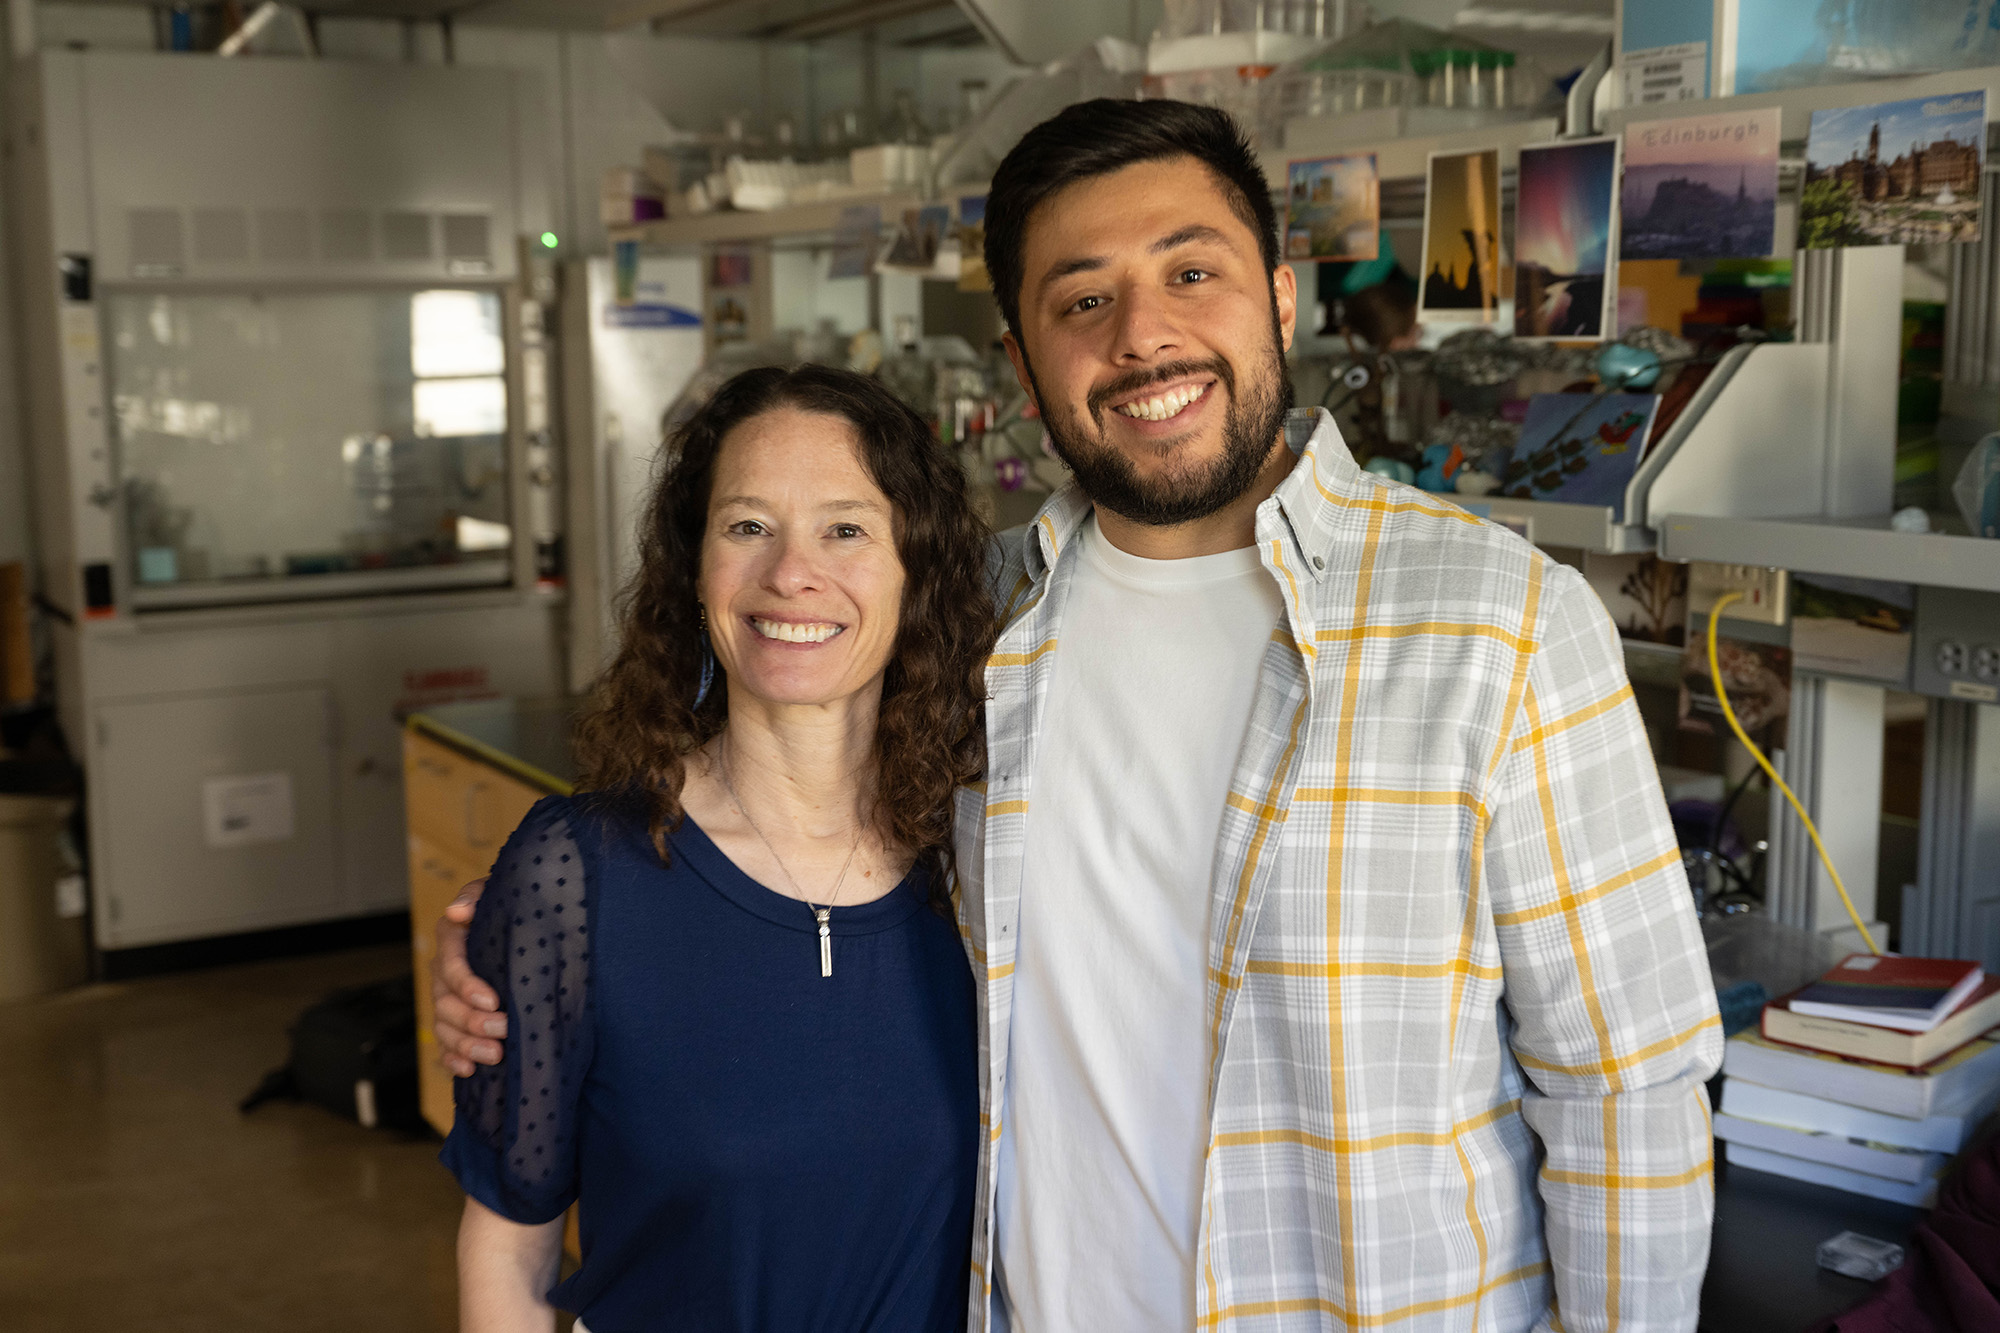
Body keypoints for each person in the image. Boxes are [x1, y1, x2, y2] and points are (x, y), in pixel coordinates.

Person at [439, 100, 1721, 1332]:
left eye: (1190, 273)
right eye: (1081, 299)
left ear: (1280, 295)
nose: (1142, 337)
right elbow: (773, 841)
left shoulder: (1498, 624)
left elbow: (1625, 1093)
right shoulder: (973, 621)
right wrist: (535, 960)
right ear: (1022, 358)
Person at [442, 364, 995, 1331]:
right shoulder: (578, 878)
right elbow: (509, 1247)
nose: (791, 573)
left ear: (920, 568)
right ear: (693, 569)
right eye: (748, 526)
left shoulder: (987, 864)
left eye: (846, 528)